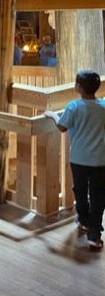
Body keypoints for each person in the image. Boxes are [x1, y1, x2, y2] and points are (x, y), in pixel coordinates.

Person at [45, 70, 105, 251]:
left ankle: (83, 220)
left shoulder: (73, 106)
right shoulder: (103, 106)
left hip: (79, 158)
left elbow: (62, 127)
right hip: (101, 159)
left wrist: (52, 115)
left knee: (79, 189)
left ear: (79, 87)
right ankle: (94, 234)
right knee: (99, 194)